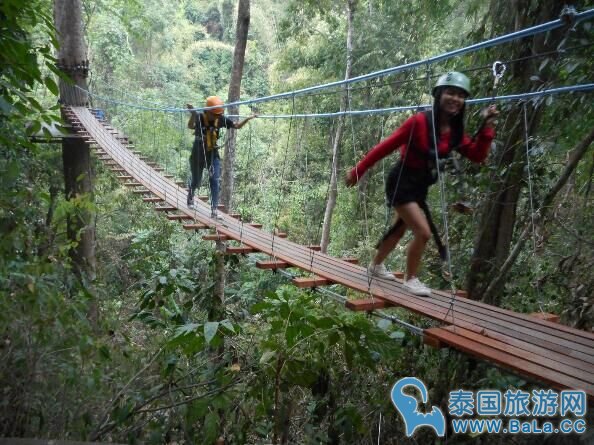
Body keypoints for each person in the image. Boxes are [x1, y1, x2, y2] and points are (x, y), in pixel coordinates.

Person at [345, 71, 499, 296]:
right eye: (450, 93)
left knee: (399, 229)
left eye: (460, 95)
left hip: (420, 186)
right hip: (401, 181)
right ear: (439, 95)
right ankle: (410, 279)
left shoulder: (455, 133)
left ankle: (375, 266)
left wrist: (487, 127)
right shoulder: (418, 122)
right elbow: (385, 147)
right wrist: (358, 171)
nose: (455, 99)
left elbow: (477, 156)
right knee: (423, 232)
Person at [186, 96, 257, 218]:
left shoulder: (221, 119)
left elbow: (236, 126)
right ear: (208, 111)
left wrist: (248, 118)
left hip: (212, 153)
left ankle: (214, 210)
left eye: (218, 114)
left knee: (215, 180)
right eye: (215, 114)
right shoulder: (200, 117)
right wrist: (193, 114)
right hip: (198, 152)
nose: (217, 116)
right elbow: (190, 126)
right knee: (196, 181)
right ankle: (191, 195)